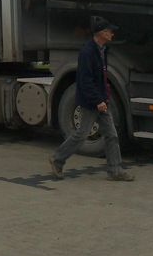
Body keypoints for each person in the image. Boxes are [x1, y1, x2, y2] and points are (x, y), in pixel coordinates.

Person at [49, 17, 134, 181]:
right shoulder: (87, 52)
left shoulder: (102, 50)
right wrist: (97, 101)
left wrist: (104, 98)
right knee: (81, 135)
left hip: (101, 99)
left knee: (111, 135)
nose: (112, 34)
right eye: (109, 31)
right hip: (91, 102)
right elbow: (85, 81)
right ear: (101, 33)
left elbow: (101, 77)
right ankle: (57, 159)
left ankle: (115, 170)